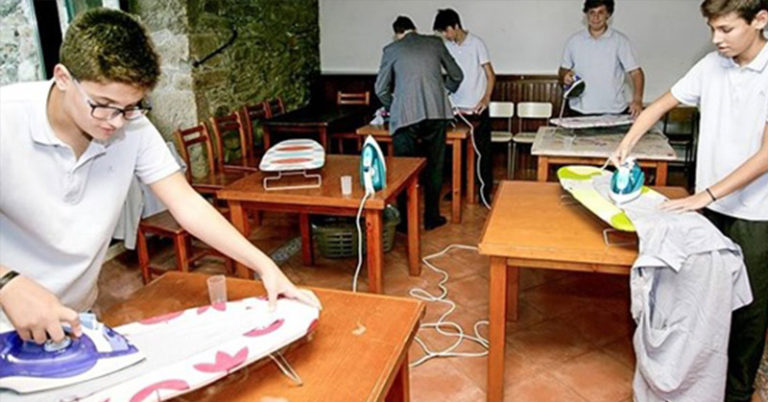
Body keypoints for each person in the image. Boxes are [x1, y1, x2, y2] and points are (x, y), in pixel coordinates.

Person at [0, 8, 320, 344]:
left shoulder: (133, 126)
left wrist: (265, 266)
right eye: (104, 104)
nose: (116, 122)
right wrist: (8, 283)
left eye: (131, 107)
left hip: (71, 315)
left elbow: (186, 203)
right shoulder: (8, 119)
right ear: (63, 77)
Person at [612, 0, 768, 399]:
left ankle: (735, 393)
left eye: (727, 30)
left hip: (756, 214)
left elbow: (766, 155)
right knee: (704, 303)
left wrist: (705, 194)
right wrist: (626, 146)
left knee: (748, 312)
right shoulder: (711, 66)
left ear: (761, 20)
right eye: (712, 29)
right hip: (708, 208)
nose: (716, 39)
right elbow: (662, 104)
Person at [374, 16, 463, 230]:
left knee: (405, 169)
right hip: (436, 112)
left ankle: (405, 222)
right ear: (415, 28)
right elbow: (457, 75)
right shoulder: (435, 43)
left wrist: (394, 104)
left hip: (405, 116)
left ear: (397, 33)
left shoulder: (392, 49)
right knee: (434, 166)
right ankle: (432, 217)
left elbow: (380, 89)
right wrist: (443, 92)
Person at [433, 8, 496, 203]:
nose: (445, 35)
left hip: (477, 108)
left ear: (456, 26)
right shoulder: (447, 46)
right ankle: (458, 190)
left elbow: (490, 75)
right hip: (455, 109)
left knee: (482, 152)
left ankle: (485, 191)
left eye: (446, 31)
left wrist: (486, 98)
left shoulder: (477, 43)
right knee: (456, 154)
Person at [559, 0, 645, 117]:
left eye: (600, 12)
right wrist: (564, 76)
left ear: (608, 15)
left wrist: (637, 100)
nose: (596, 17)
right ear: (586, 15)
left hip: (614, 111)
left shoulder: (620, 41)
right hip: (579, 111)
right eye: (592, 12)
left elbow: (636, 73)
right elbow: (563, 70)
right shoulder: (573, 41)